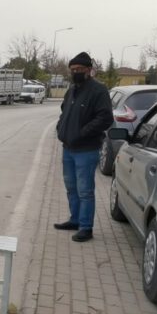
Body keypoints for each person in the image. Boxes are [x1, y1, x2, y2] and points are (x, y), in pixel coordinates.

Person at [54, 52, 113, 242]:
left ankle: (86, 227)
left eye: (79, 69)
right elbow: (64, 111)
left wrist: (82, 132)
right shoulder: (72, 89)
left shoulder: (98, 90)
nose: (76, 72)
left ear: (89, 70)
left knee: (85, 190)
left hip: (86, 150)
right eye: (73, 70)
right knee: (71, 187)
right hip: (68, 148)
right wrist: (60, 127)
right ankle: (75, 220)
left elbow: (105, 118)